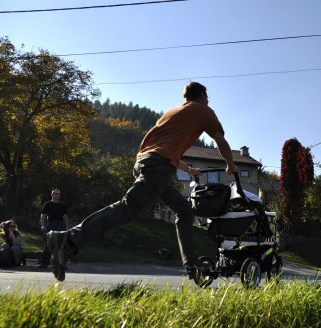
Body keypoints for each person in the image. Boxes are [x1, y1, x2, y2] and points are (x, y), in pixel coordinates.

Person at [47, 82, 239, 282]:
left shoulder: (172, 113)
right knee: (128, 208)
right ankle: (68, 239)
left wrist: (189, 170)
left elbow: (162, 149)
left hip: (147, 162)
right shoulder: (203, 111)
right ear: (201, 96)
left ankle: (192, 266)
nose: (208, 101)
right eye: (207, 97)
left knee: (184, 210)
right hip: (158, 167)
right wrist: (231, 166)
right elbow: (221, 141)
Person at [39, 189, 69, 268]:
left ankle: (63, 264)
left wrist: (67, 227)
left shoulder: (62, 205)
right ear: (52, 195)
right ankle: (45, 263)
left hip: (60, 225)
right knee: (48, 243)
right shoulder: (48, 204)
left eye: (58, 194)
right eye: (56, 194)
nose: (57, 195)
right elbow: (43, 215)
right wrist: (42, 225)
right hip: (51, 224)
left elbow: (65, 217)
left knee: (62, 244)